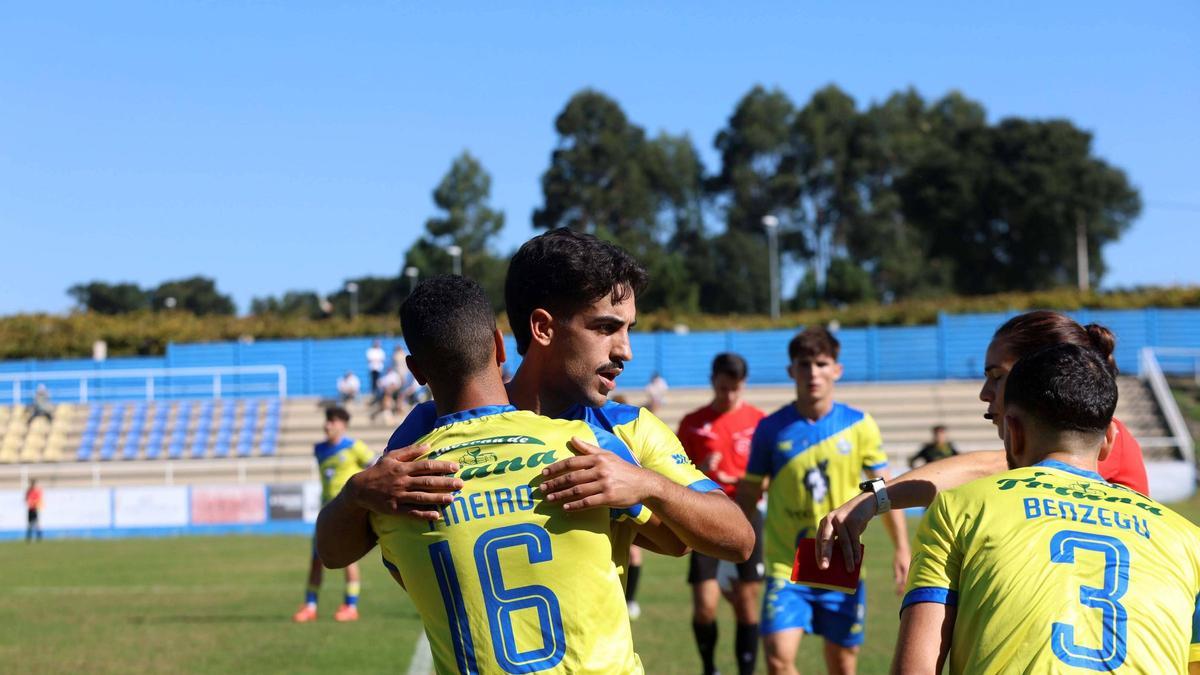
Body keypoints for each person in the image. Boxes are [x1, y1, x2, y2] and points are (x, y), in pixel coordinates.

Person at [316, 228, 754, 589]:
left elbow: (737, 540)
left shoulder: (628, 429)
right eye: (606, 328)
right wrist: (358, 495)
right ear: (543, 328)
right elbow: (335, 553)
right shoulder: (433, 428)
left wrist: (647, 486)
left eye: (628, 330)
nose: (625, 351)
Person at [328, 275, 674, 673]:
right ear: (499, 346)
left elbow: (334, 552)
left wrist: (354, 492)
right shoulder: (584, 444)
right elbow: (675, 540)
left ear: (416, 371)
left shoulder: (400, 483)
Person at [895, 343, 1200, 674]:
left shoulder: (959, 509)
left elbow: (916, 669)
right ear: (1110, 439)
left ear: (1014, 431)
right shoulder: (1189, 540)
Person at [815, 310, 1151, 573]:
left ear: (1042, 373)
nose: (984, 393)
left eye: (997, 376)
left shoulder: (1100, 438)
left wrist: (873, 500)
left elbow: (983, 469)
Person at [736, 327, 910, 675]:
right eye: (804, 364)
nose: (813, 373)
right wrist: (730, 545)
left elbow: (884, 490)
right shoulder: (770, 429)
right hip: (787, 565)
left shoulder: (859, 425)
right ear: (791, 371)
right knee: (778, 657)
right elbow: (748, 494)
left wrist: (902, 548)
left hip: (842, 561)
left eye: (821, 364)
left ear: (836, 370)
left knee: (842, 664)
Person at [678, 353, 766, 675]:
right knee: (705, 606)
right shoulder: (692, 423)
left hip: (747, 516)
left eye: (734, 388)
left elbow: (771, 477)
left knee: (746, 603)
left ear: (744, 384)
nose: (728, 395)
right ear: (712, 381)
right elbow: (674, 474)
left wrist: (740, 481)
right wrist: (701, 470)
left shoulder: (759, 422)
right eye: (722, 387)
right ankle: (709, 668)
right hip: (705, 517)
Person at [292, 406, 373, 623]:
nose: (327, 425)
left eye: (332, 421)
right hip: (326, 512)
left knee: (348, 559)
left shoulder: (355, 447)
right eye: (327, 420)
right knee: (316, 558)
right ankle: (310, 606)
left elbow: (374, 467)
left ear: (343, 425)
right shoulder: (319, 449)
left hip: (347, 511)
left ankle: (350, 606)